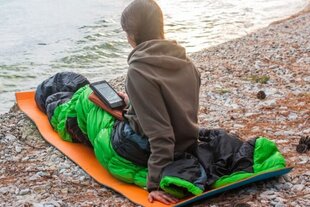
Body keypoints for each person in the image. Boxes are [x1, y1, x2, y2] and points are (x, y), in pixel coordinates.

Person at [119, 0, 201, 204]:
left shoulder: (138, 71)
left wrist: (155, 184)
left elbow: (161, 136)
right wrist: (134, 101)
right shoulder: (186, 62)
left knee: (92, 112)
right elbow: (174, 106)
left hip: (152, 149)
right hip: (188, 142)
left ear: (131, 35)